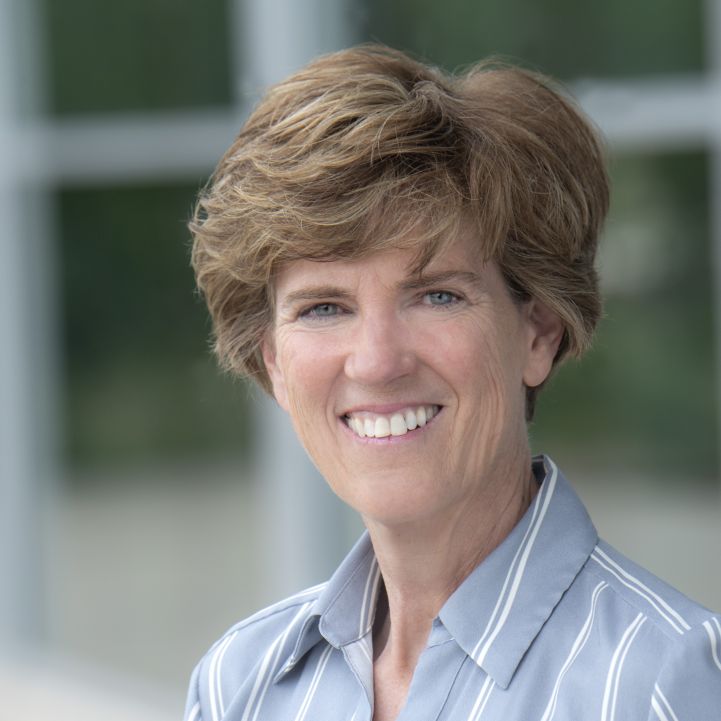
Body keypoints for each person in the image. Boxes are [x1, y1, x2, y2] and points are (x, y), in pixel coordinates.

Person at [184, 44, 721, 721]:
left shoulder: (663, 683)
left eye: (435, 295)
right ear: (273, 364)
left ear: (538, 333)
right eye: (324, 307)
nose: (377, 362)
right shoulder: (243, 684)